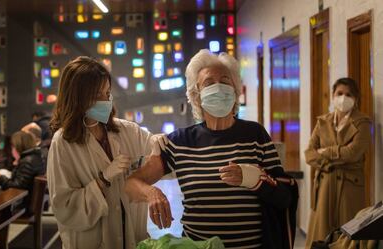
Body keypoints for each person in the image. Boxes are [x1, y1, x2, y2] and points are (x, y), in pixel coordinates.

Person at [125, 49, 298, 249]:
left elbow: (285, 197)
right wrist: (152, 193)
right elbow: (131, 184)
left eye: (225, 81)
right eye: (208, 83)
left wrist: (254, 179)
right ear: (196, 95)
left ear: (235, 90)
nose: (218, 87)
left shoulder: (255, 135)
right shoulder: (180, 141)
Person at [47, 56, 161, 249]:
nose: (105, 101)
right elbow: (65, 207)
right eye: (97, 95)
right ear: (76, 98)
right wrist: (103, 179)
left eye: (107, 93)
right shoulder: (63, 143)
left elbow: (159, 148)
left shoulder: (127, 131)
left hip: (132, 237)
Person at [304, 78, 372, 248]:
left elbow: (353, 153)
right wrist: (329, 163)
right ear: (333, 96)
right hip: (325, 184)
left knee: (349, 234)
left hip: (350, 186)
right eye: (339, 93)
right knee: (322, 234)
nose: (343, 98)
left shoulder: (362, 122)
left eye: (348, 94)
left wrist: (326, 152)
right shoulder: (323, 121)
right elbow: (309, 154)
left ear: (356, 98)